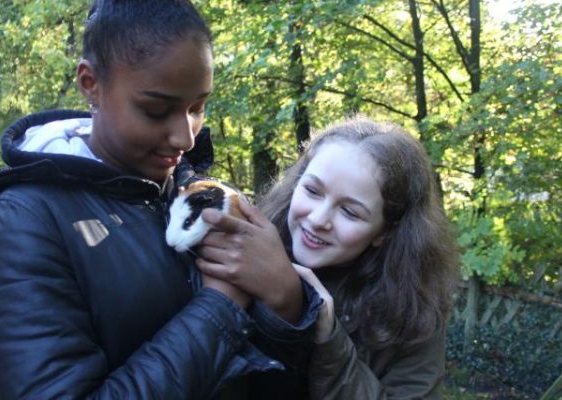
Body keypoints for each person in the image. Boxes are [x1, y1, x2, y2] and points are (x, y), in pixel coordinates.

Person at [0, 1, 320, 398]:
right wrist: (223, 305)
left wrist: (286, 300)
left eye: (198, 107)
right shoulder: (25, 219)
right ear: (90, 83)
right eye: (156, 110)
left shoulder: (198, 193)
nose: (186, 137)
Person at [197, 117, 460, 399]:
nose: (318, 219)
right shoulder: (239, 252)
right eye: (312, 191)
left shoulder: (414, 308)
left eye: (350, 212)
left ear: (385, 232)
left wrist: (330, 338)